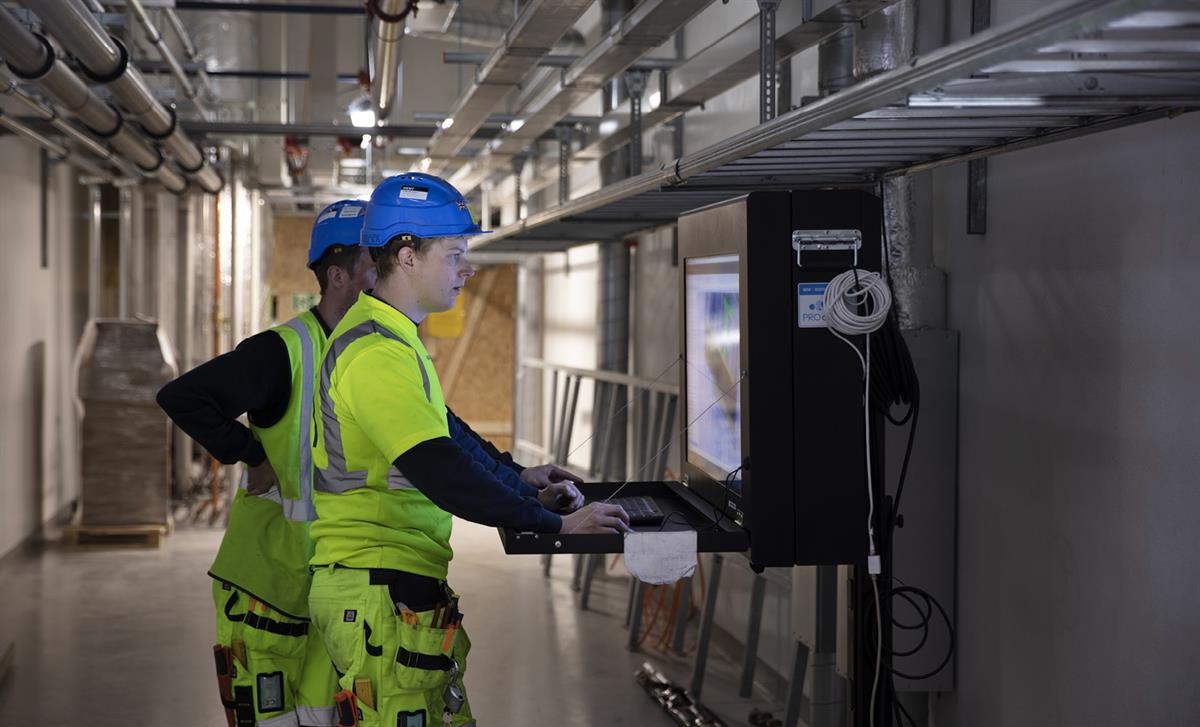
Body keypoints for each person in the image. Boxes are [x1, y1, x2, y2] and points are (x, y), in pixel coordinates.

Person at [307, 173, 630, 727]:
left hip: (389, 580)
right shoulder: (376, 354)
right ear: (407, 257)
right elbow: (440, 468)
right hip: (376, 582)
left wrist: (518, 477)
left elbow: (449, 434)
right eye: (455, 254)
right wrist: (557, 527)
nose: (467, 269)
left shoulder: (392, 337)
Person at [157, 200, 375, 727]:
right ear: (340, 274)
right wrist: (251, 454)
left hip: (330, 587)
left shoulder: (373, 355)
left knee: (322, 718)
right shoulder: (283, 350)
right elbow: (182, 397)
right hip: (266, 586)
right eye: (377, 263)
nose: (387, 274)